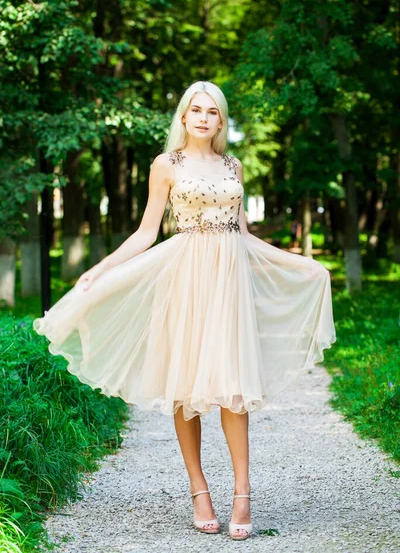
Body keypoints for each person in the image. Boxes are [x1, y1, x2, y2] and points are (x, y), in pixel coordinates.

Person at [33, 80, 336, 541]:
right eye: (195, 109)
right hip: (186, 279)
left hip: (228, 283)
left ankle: (242, 491)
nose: (203, 117)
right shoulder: (166, 164)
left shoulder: (231, 164)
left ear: (221, 121)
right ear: (183, 116)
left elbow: (244, 234)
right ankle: (199, 489)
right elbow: (145, 232)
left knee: (234, 387)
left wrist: (299, 263)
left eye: (212, 112)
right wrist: (99, 268)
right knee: (186, 384)